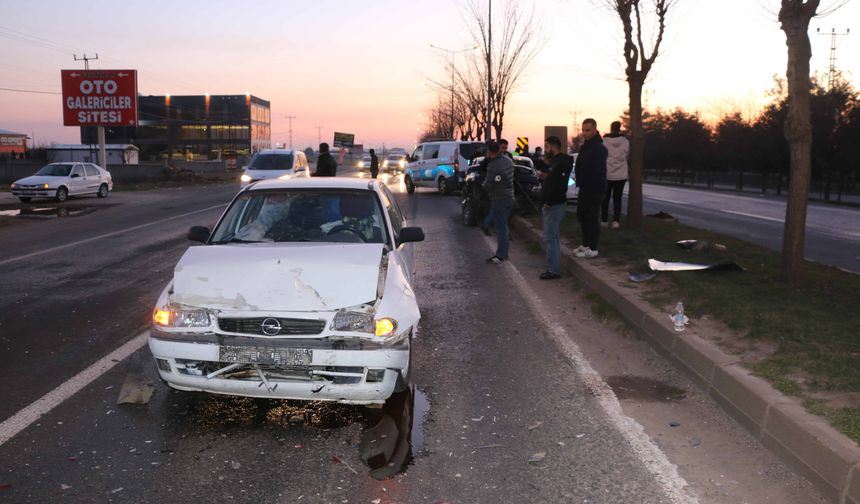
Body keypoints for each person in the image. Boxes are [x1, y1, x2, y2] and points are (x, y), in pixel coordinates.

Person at [537, 136, 573, 279]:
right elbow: (552, 181)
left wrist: (548, 201)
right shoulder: (555, 163)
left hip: (554, 204)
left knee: (550, 237)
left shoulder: (561, 163)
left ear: (553, 146)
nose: (546, 150)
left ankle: (553, 270)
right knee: (553, 236)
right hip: (552, 203)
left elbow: (558, 186)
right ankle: (554, 266)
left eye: (547, 147)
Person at [574, 118, 608, 258]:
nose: (584, 133)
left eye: (587, 130)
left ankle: (593, 248)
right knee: (582, 215)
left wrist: (588, 181)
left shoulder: (599, 148)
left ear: (594, 130)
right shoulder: (585, 147)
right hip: (584, 187)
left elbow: (597, 170)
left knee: (592, 217)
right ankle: (586, 243)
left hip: (595, 188)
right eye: (583, 130)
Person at [481, 140, 514, 264]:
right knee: (504, 225)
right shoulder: (508, 161)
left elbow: (489, 183)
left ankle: (500, 255)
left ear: (489, 151)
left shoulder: (493, 165)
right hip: (509, 197)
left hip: (499, 198)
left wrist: (483, 186)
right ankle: (504, 252)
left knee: (501, 228)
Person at [602, 121, 629, 229]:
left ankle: (604, 220)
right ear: (620, 128)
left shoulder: (604, 141)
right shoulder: (625, 142)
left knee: (605, 198)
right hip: (621, 174)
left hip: (607, 173)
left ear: (611, 128)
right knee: (617, 198)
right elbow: (627, 154)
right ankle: (615, 221)